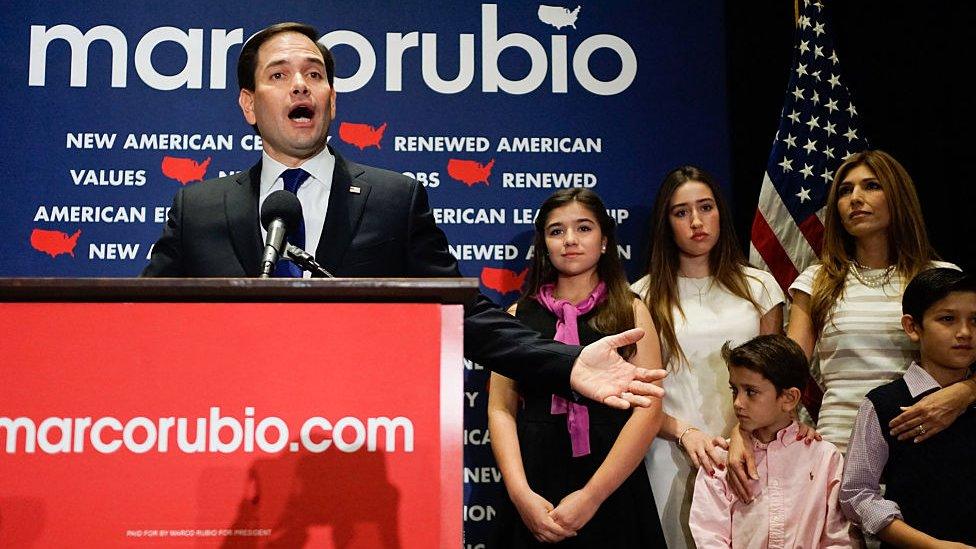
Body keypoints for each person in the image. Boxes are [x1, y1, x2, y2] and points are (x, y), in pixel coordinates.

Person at [141, 22, 665, 407]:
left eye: (314, 74)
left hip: (358, 431)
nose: (300, 85)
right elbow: (138, 323)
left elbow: (464, 314)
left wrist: (568, 362)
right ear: (250, 105)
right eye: (279, 75)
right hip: (224, 430)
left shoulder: (394, 198)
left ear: (332, 98)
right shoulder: (199, 207)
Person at [728, 150, 972, 499]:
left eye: (871, 186)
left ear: (898, 196)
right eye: (845, 191)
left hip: (923, 438)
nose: (855, 198)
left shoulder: (940, 278)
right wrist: (742, 431)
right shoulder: (818, 281)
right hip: (838, 447)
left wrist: (965, 392)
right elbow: (783, 372)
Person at [488, 189, 666, 546]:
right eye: (556, 231)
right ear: (544, 244)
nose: (569, 240)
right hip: (535, 482)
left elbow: (649, 411)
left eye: (583, 228)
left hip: (611, 480)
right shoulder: (516, 317)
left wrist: (592, 496)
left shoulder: (630, 311)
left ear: (604, 241)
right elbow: (500, 409)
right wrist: (520, 494)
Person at [630, 166, 785, 548]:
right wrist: (685, 433)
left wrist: (741, 433)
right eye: (681, 212)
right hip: (671, 454)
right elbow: (639, 393)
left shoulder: (760, 287)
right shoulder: (642, 296)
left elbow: (777, 381)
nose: (696, 221)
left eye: (706, 207)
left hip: (753, 449)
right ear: (666, 223)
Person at [840, 268, 976, 548]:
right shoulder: (884, 404)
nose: (965, 332)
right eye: (947, 319)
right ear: (912, 327)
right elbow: (857, 492)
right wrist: (929, 545)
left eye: (975, 320)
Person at [689, 335, 857, 548]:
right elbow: (709, 537)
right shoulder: (719, 460)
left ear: (789, 398)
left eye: (751, 392)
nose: (738, 402)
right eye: (735, 390)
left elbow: (839, 539)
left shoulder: (824, 457)